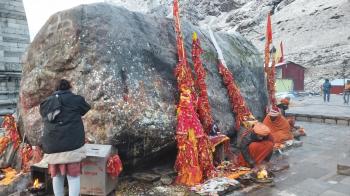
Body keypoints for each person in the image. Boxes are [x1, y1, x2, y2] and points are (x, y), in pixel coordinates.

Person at [39, 79, 90, 196]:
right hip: (72, 145)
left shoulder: (46, 102)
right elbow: (85, 109)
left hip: (52, 145)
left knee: (56, 176)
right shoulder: (77, 100)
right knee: (73, 177)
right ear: (69, 88)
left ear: (56, 88)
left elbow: (43, 115)